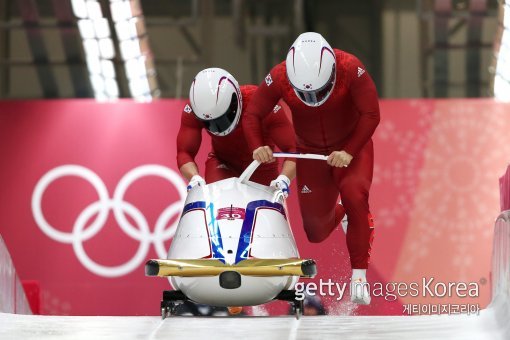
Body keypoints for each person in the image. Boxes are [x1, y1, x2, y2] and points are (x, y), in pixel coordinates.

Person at [242, 32, 380, 304]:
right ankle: (346, 216)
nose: (313, 97)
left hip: (352, 148)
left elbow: (372, 114)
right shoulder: (280, 76)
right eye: (305, 93)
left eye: (318, 90)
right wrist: (257, 145)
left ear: (331, 73)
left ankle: (359, 277)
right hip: (310, 153)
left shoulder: (351, 68)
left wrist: (349, 151)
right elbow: (252, 113)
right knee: (315, 233)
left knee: (354, 194)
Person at [176, 67, 296, 195]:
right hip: (222, 163)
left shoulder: (263, 102)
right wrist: (194, 178)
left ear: (236, 100)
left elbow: (293, 149)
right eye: (210, 123)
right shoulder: (193, 110)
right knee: (217, 208)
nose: (218, 127)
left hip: (260, 165)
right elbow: (184, 152)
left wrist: (284, 179)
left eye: (223, 118)